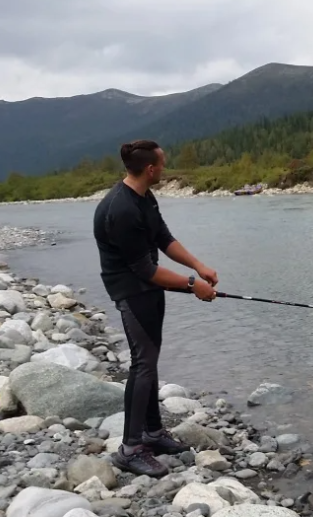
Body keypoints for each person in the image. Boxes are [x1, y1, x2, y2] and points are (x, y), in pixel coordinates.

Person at [92, 139, 219, 477]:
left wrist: (198, 266)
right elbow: (145, 270)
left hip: (148, 287)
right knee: (143, 364)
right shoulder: (121, 210)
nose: (165, 167)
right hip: (132, 291)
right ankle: (130, 448)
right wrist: (193, 286)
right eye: (162, 163)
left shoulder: (144, 197)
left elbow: (163, 238)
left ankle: (152, 432)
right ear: (151, 169)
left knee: (149, 360)